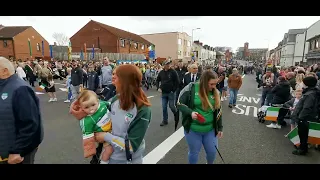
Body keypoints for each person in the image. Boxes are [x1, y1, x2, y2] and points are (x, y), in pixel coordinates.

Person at [95, 64, 151, 164]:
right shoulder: (116, 99)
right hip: (109, 156)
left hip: (129, 160)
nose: (113, 77)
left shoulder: (142, 109)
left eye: (116, 75)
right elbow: (97, 110)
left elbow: (131, 146)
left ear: (126, 80)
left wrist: (105, 136)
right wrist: (81, 106)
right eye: (113, 74)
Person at [0, 57, 43, 164]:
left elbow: (30, 123)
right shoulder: (4, 86)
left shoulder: (20, 89)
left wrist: (17, 151)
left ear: (4, 71)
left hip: (15, 153)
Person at [177, 70, 223, 164]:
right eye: (211, 84)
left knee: (212, 152)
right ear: (204, 82)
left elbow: (219, 111)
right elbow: (179, 103)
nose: (214, 87)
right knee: (194, 153)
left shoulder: (216, 92)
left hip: (210, 129)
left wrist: (220, 127)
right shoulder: (191, 88)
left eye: (216, 84)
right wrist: (190, 113)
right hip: (193, 129)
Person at [69, 90, 113, 164]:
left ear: (98, 101)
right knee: (109, 150)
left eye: (93, 105)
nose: (91, 109)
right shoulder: (87, 120)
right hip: (103, 134)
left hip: (112, 128)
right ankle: (104, 162)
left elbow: (109, 104)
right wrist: (89, 150)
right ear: (81, 107)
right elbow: (87, 136)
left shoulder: (101, 104)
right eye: (86, 107)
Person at [291, 76, 320, 155]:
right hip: (307, 117)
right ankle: (303, 148)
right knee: (304, 134)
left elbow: (307, 107)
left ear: (307, 84)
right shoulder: (312, 92)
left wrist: (300, 117)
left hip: (305, 118)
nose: (302, 85)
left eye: (304, 83)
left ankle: (302, 149)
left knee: (303, 134)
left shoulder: (310, 94)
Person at [156, 60, 180, 126]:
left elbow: (177, 82)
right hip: (163, 93)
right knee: (164, 107)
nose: (168, 65)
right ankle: (165, 120)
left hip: (171, 93)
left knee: (172, 106)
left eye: (169, 64)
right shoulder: (161, 72)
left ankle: (176, 114)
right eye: (167, 64)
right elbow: (157, 80)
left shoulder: (173, 72)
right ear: (164, 65)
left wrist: (173, 90)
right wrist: (158, 87)